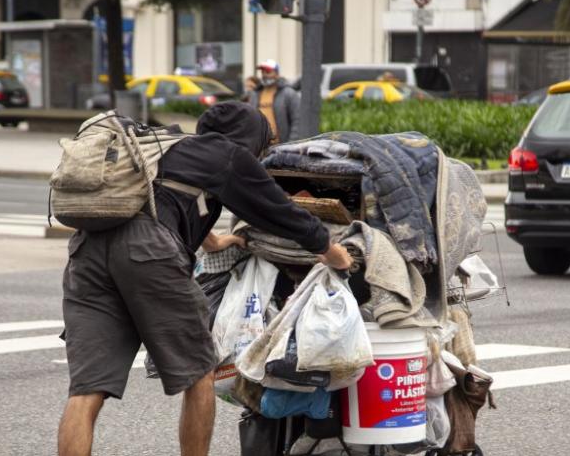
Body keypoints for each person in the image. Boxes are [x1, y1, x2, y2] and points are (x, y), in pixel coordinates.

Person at [57, 101, 352, 456]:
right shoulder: (229, 155)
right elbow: (283, 212)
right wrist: (334, 253)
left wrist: (216, 242)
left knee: (87, 389)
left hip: (87, 252)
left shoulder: (169, 147)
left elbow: (166, 200)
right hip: (147, 252)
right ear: (251, 138)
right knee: (199, 375)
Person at [249, 59, 300, 144]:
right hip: (260, 147)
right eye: (263, 72)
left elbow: (297, 121)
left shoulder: (288, 93)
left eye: (268, 72)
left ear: (277, 74)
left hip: (281, 146)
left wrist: (291, 144)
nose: (265, 75)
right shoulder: (255, 94)